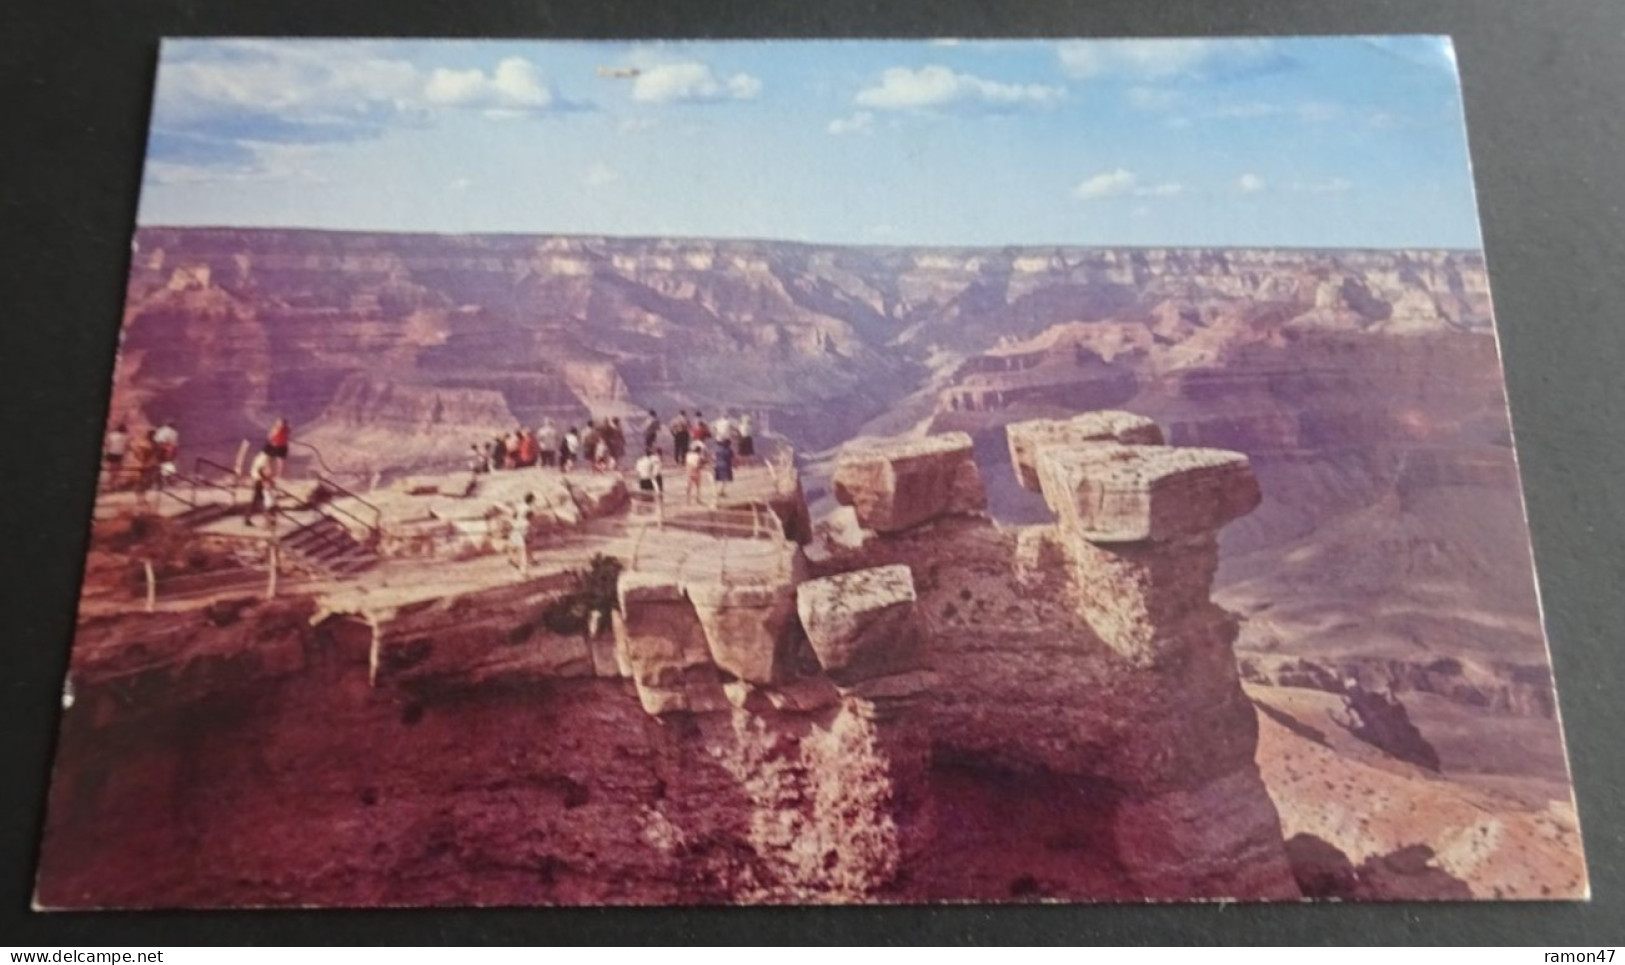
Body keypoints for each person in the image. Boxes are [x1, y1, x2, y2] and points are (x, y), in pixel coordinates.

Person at [244, 445, 278, 527]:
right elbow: (260, 470)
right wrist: (265, 480)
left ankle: (248, 518)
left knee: (257, 500)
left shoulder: (262, 457)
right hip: (259, 480)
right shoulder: (264, 458)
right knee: (265, 500)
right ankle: (269, 519)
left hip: (259, 479)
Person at [509, 492, 536, 578]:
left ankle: (514, 559)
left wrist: (514, 522)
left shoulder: (519, 506)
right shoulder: (529, 508)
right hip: (523, 528)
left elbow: (513, 515)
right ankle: (523, 572)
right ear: (531, 500)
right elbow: (529, 518)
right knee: (523, 550)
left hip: (515, 527)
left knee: (514, 547)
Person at [102, 422, 129, 490]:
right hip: (119, 454)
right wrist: (125, 456)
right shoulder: (125, 437)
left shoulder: (112, 435)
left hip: (111, 453)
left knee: (110, 470)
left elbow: (108, 445)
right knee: (117, 470)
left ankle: (108, 484)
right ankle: (113, 484)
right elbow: (126, 447)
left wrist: (106, 453)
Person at [712, 437, 735, 503]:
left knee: (717, 479)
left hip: (718, 464)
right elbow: (733, 458)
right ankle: (721, 492)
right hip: (726, 465)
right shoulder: (729, 450)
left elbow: (714, 457)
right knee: (724, 479)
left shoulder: (718, 449)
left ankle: (716, 491)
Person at [684, 441, 707, 505]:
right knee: (697, 486)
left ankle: (688, 500)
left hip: (689, 471)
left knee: (689, 486)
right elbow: (700, 464)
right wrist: (703, 464)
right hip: (696, 471)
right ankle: (697, 499)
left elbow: (686, 463)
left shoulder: (688, 455)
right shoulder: (698, 456)